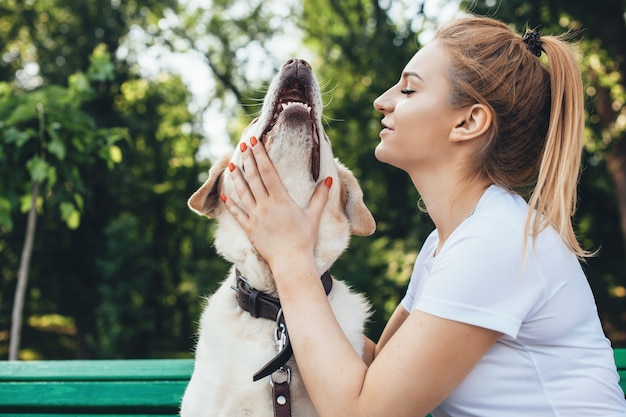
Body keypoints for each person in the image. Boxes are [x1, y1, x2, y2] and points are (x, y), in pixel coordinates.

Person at [221, 15, 626, 417]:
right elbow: (379, 370)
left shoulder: (495, 243)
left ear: (468, 122)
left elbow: (363, 412)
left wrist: (291, 259)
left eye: (409, 89)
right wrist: (267, 291)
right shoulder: (446, 245)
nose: (383, 100)